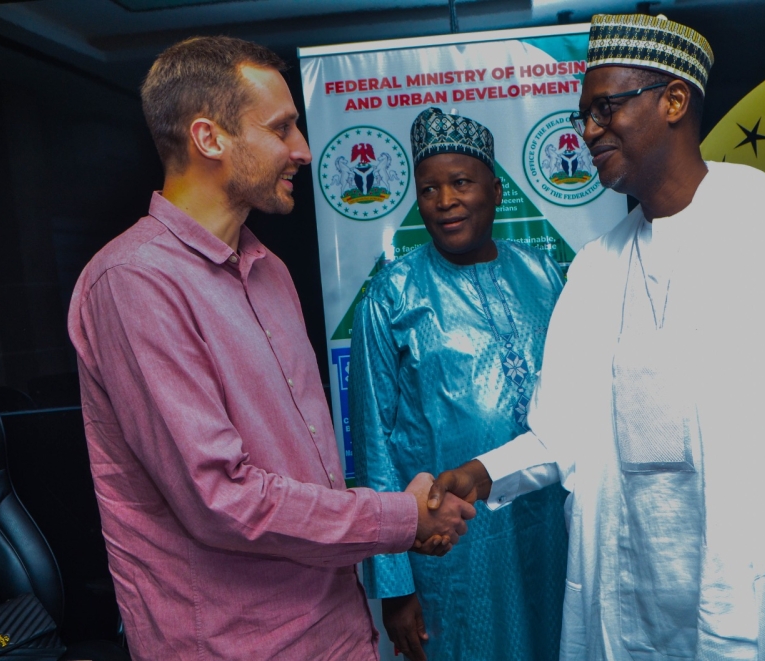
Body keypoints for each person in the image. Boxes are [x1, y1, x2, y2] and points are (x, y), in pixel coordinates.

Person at [428, 13, 765, 661]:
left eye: (605, 109)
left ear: (674, 100)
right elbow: (565, 433)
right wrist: (485, 473)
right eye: (583, 116)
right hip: (630, 603)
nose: (589, 132)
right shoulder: (597, 268)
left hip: (761, 600)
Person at [67, 36, 475, 660]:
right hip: (241, 646)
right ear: (209, 138)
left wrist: (400, 519)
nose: (303, 151)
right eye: (282, 128)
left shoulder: (269, 270)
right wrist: (399, 518)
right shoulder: (133, 282)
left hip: (337, 628)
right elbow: (221, 501)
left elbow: (304, 471)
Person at [350, 107, 569, 661]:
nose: (444, 200)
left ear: (496, 191)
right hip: (456, 545)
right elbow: (374, 444)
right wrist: (396, 586)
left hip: (553, 531)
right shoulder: (391, 296)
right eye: (429, 189)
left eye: (461, 183)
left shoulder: (546, 275)